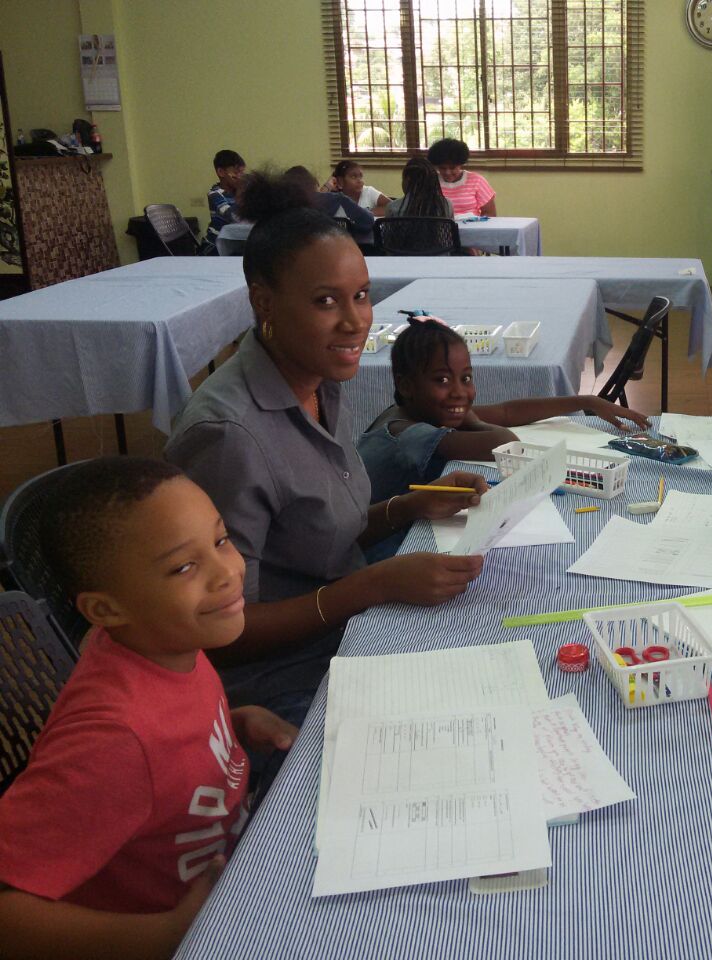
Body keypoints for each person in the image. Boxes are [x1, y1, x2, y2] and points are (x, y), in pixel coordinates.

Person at [165, 173, 488, 728]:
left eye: (361, 295)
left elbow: (316, 538)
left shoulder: (318, 381)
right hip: (281, 682)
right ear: (264, 302)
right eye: (325, 301)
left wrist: (409, 505)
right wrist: (374, 584)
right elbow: (219, 634)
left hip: (345, 621)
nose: (355, 321)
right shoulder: (228, 437)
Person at [0, 457, 296, 960]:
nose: (227, 572)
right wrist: (166, 936)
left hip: (239, 864)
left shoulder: (166, 641)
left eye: (220, 540)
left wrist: (237, 723)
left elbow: (169, 748)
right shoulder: (112, 741)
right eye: (183, 567)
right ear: (106, 610)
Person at [358, 316, 651, 505]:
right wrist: (469, 417)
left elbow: (507, 412)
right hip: (377, 546)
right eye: (442, 380)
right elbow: (504, 443)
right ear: (406, 385)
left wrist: (585, 401)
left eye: (466, 378)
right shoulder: (406, 433)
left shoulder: (418, 410)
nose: (459, 391)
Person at [282, 165, 375, 248]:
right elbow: (368, 221)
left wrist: (326, 188)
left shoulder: (281, 208)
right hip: (338, 250)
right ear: (313, 184)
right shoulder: (338, 199)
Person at [427, 137, 496, 216]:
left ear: (461, 164)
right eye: (442, 168)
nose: (447, 172)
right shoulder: (430, 182)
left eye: (452, 168)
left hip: (472, 224)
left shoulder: (476, 180)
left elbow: (489, 213)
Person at [385, 156, 453, 219]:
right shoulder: (446, 205)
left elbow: (388, 228)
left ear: (407, 180)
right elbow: (450, 228)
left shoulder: (393, 207)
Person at [206, 148, 245, 245]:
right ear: (221, 172)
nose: (240, 177)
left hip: (234, 241)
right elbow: (234, 217)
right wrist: (240, 192)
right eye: (236, 173)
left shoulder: (236, 192)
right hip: (215, 245)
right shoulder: (215, 194)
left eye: (242, 173)